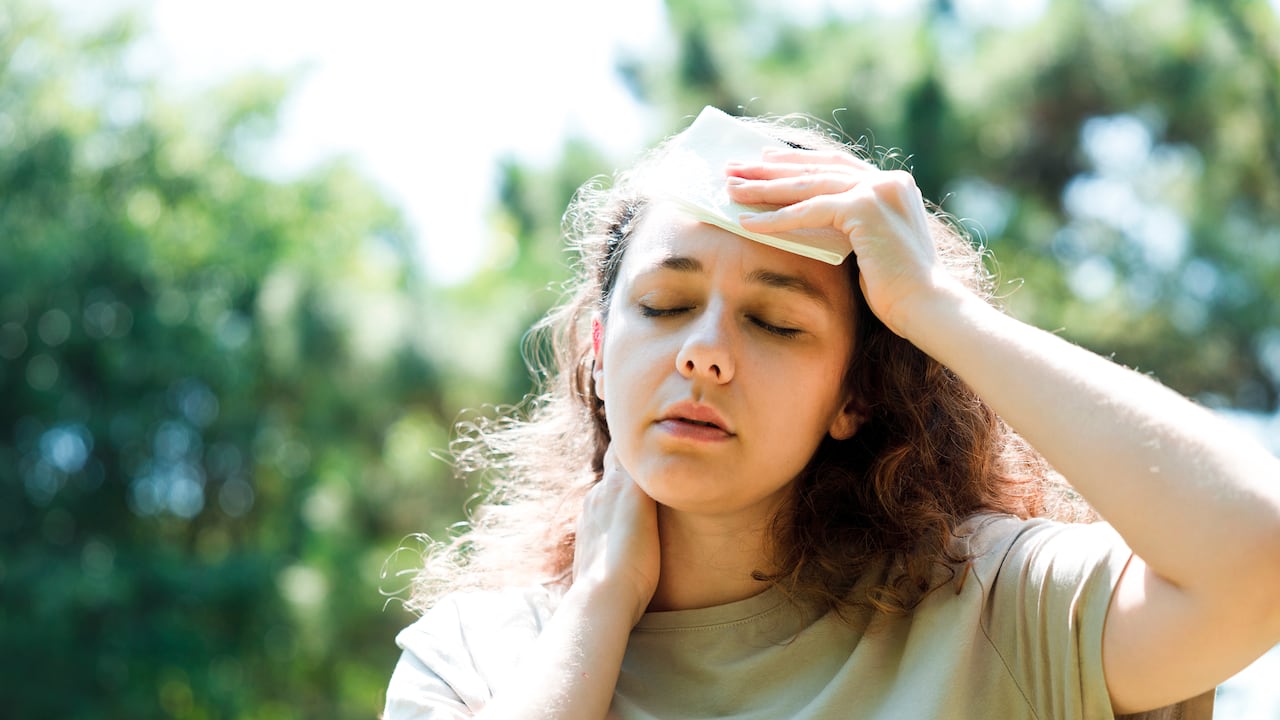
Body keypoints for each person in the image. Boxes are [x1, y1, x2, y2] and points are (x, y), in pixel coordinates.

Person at [382, 108, 1280, 719]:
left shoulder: (996, 609)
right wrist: (598, 605)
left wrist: (937, 309)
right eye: (661, 306)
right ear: (596, 350)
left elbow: (1258, 553)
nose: (704, 351)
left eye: (774, 321)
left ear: (854, 396)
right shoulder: (475, 657)